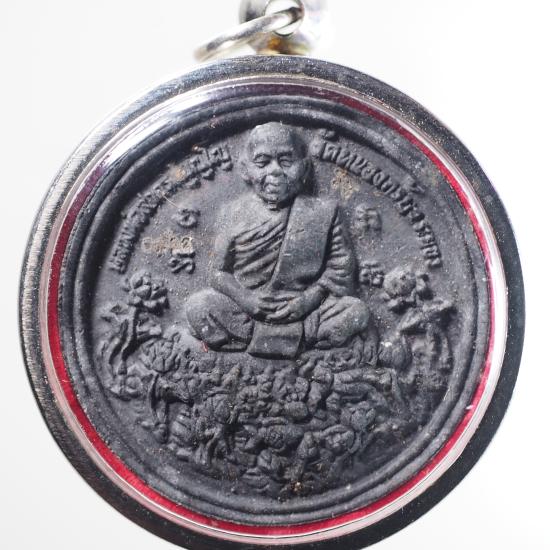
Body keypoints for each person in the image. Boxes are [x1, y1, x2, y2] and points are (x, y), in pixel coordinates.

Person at [185, 122, 369, 359]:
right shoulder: (232, 212)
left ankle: (289, 339)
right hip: (248, 311)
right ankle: (285, 341)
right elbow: (218, 273)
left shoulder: (324, 211)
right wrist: (247, 299)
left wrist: (307, 300)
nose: (275, 171)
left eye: (286, 161)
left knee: (356, 311)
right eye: (263, 162)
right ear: (245, 169)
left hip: (307, 311)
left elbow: (340, 269)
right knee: (199, 305)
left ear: (304, 168)